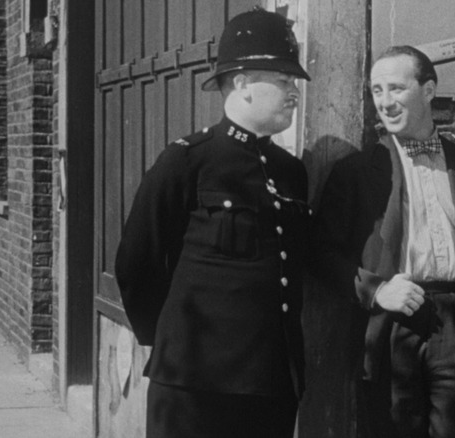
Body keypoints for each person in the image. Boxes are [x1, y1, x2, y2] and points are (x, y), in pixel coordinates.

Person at [114, 8, 311, 438]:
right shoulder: (187, 160)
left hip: (271, 383)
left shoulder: (290, 172)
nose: (293, 91)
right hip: (194, 384)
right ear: (241, 82)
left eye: (292, 82)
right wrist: (170, 340)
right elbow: (135, 260)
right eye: (282, 80)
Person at [313, 45, 455, 437]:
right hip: (390, 325)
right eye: (376, 91)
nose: (384, 103)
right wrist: (376, 290)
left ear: (428, 90)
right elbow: (319, 253)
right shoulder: (354, 173)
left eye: (396, 89)